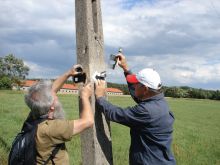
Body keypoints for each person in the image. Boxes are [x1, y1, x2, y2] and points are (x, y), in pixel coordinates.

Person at [95, 54, 176, 165]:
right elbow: (139, 95)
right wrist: (125, 68)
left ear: (145, 89)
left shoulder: (146, 111)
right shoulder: (159, 103)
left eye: (137, 84)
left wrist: (100, 98)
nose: (134, 86)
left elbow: (116, 114)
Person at [24, 65, 94, 164]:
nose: (56, 94)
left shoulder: (34, 115)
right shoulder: (50, 129)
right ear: (52, 107)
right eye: (55, 96)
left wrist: (68, 73)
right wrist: (85, 96)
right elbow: (88, 122)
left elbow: (51, 90)